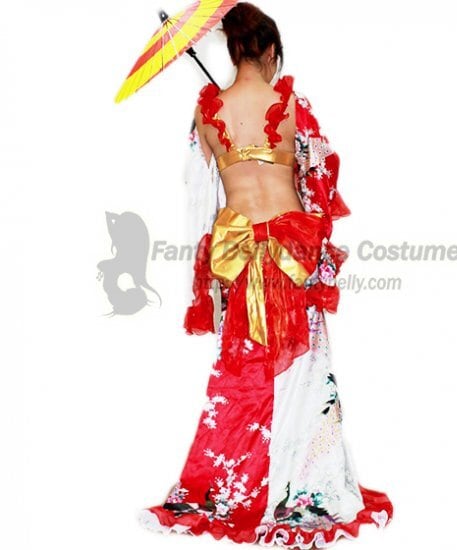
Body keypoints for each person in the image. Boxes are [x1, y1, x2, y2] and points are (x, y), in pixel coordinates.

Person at [137, 2, 393, 547]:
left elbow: (202, 191)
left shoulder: (206, 110)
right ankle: (304, 486)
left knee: (243, 375)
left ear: (232, 50)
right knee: (305, 371)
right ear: (270, 48)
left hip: (236, 255)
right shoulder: (291, 103)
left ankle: (233, 487)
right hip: (290, 253)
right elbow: (319, 176)